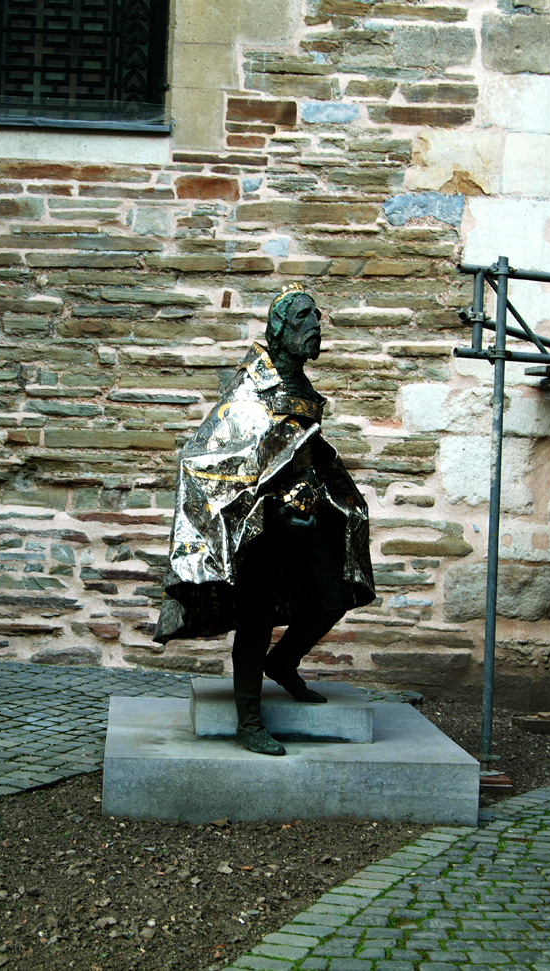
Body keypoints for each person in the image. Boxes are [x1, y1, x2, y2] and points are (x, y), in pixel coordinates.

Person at [153, 285, 374, 755]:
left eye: (317, 317)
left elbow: (298, 451)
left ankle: (284, 662)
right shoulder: (251, 390)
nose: (315, 326)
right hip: (258, 524)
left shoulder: (302, 388)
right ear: (279, 330)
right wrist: (270, 505)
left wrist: (321, 493)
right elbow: (206, 458)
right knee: (254, 618)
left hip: (305, 517)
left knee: (333, 596)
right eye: (303, 318)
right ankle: (249, 721)